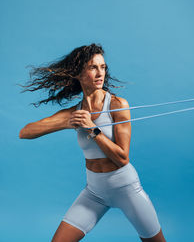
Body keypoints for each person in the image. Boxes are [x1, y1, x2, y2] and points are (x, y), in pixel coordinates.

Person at [19, 43, 166, 242]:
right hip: (94, 191)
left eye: (103, 67)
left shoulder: (116, 104)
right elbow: (25, 132)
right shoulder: (74, 113)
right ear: (78, 74)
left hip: (125, 188)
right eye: (93, 67)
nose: (100, 73)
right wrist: (64, 123)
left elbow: (122, 158)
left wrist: (93, 129)